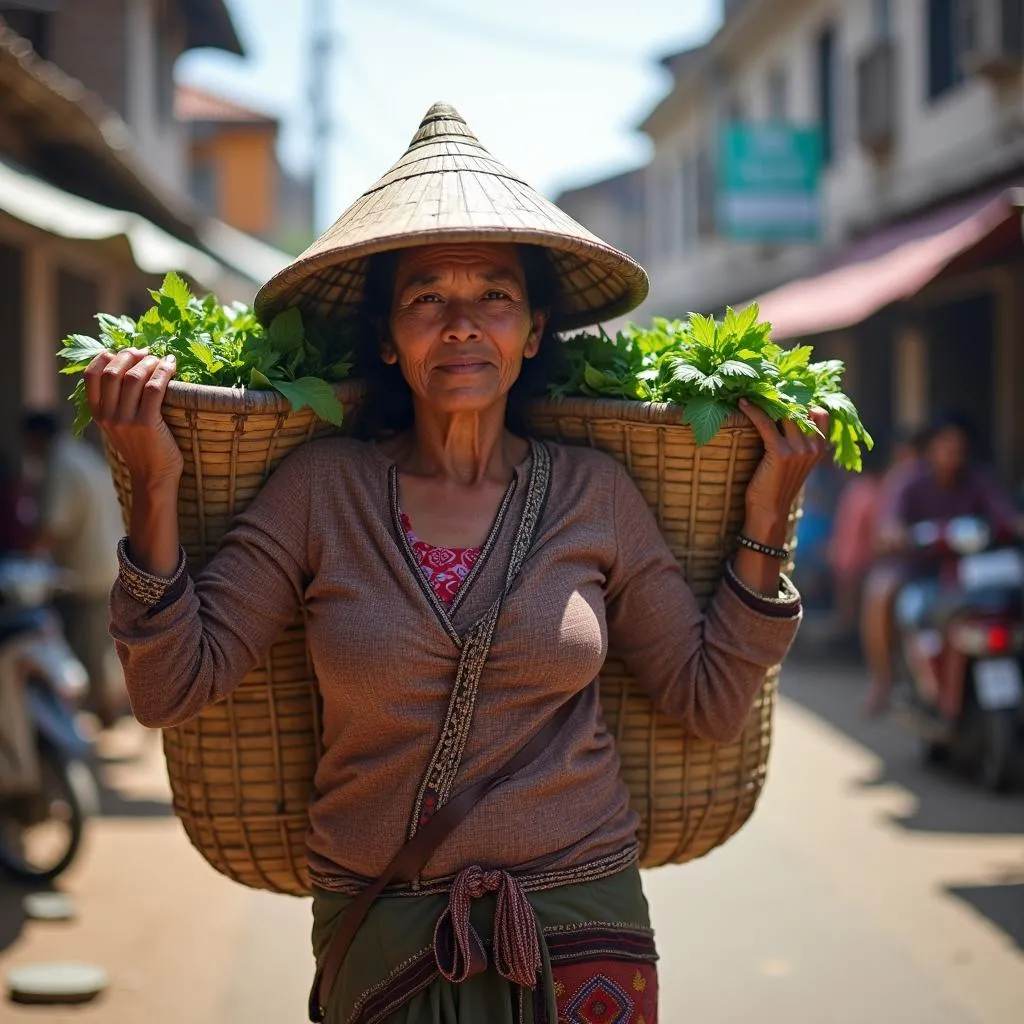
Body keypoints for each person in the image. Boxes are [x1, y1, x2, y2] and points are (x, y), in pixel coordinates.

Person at [91, 104, 826, 1024]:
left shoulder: (594, 495)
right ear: (391, 338)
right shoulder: (322, 491)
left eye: (495, 296)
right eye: (428, 296)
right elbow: (173, 690)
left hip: (580, 919)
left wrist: (769, 513)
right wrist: (153, 487)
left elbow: (711, 701)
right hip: (384, 924)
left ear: (532, 329)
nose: (464, 323)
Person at [859, 414, 1021, 716]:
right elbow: (889, 525)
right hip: (919, 571)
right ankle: (882, 680)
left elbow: (1006, 515)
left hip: (970, 576)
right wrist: (896, 534)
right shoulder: (908, 480)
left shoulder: (979, 480)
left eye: (959, 449)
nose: (953, 455)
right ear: (930, 448)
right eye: (946, 447)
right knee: (881, 590)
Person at [22, 411, 128, 726]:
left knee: (89, 651)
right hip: (106, 564)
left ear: (36, 437)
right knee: (101, 649)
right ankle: (107, 714)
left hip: (86, 575)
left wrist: (27, 558)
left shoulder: (60, 463)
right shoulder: (79, 454)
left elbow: (52, 527)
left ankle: (102, 718)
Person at [829, 430, 923, 639]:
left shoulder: (883, 487)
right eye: (903, 458)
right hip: (878, 565)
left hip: (919, 565)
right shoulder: (871, 492)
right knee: (881, 591)